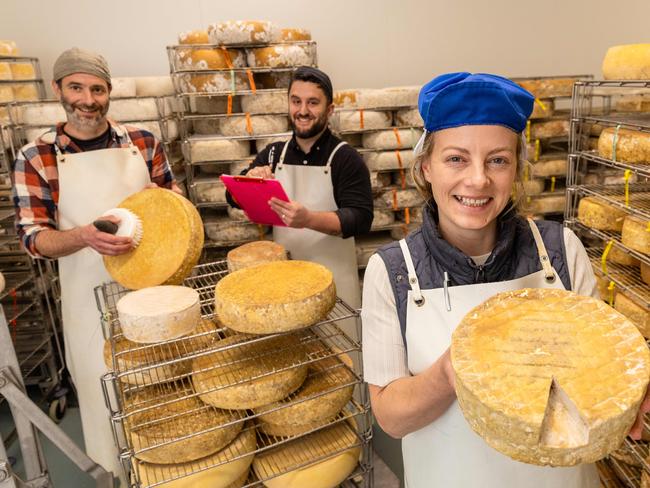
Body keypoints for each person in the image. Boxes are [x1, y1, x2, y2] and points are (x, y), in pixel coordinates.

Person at [360, 72, 650, 487]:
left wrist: (628, 385)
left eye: (497, 160)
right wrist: (449, 372)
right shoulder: (392, 271)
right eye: (456, 158)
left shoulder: (560, 249)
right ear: (426, 167)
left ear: (516, 169)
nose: (478, 179)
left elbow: (600, 364)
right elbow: (391, 418)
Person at [11, 47, 180, 483]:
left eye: (98, 89)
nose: (88, 99)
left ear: (109, 92)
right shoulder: (36, 156)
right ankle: (121, 479)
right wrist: (84, 236)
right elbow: (33, 239)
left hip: (151, 294)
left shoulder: (143, 142)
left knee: (166, 390)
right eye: (77, 88)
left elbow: (173, 203)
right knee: (107, 402)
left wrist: (175, 211)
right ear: (58, 90)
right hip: (89, 302)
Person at [226, 66, 373, 314]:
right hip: (286, 281)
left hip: (334, 282)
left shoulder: (345, 158)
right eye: (296, 101)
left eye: (313, 103)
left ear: (329, 110)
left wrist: (309, 219)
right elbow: (232, 198)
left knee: (340, 352)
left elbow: (360, 218)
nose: (303, 111)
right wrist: (248, 180)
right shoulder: (273, 153)